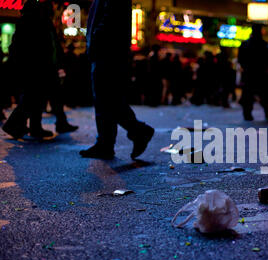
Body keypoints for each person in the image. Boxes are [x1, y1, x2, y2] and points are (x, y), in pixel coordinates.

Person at [80, 0, 154, 160]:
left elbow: (109, 19)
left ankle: (135, 132)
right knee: (107, 99)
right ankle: (107, 142)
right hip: (107, 52)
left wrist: (95, 41)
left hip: (108, 53)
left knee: (106, 99)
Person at [2, 0, 77, 139]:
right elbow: (42, 47)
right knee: (34, 98)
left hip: (38, 67)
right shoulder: (38, 22)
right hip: (39, 67)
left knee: (36, 98)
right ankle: (20, 125)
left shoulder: (33, 21)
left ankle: (33, 127)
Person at [238, 24, 268, 121]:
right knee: (264, 96)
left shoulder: (245, 44)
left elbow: (241, 59)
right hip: (261, 74)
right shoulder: (264, 45)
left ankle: (247, 115)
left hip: (249, 74)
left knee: (248, 97)